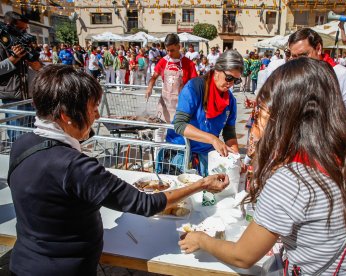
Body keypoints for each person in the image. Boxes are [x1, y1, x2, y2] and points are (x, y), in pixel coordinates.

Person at [179, 58, 346, 275]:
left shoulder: (292, 180)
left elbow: (242, 255)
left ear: (284, 115)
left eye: (261, 111)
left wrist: (201, 240)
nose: (257, 121)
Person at [8, 65, 229, 275]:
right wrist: (202, 183)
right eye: (92, 109)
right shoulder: (75, 167)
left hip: (23, 261)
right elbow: (146, 204)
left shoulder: (23, 143)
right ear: (66, 116)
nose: (96, 116)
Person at [165, 50, 243, 176]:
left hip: (208, 156)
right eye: (229, 78)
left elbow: (229, 132)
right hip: (182, 154)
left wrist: (236, 158)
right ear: (217, 71)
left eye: (236, 80)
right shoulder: (194, 88)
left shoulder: (230, 101)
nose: (231, 83)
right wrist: (212, 139)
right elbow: (179, 124)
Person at [288, 28, 346, 128]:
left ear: (318, 48)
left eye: (303, 55)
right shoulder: (294, 74)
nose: (298, 62)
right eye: (294, 57)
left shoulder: (343, 75)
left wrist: (325, 113)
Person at [0, 11, 42, 141]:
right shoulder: (2, 44)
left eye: (25, 29)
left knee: (33, 135)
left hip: (30, 96)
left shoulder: (23, 42)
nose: (24, 32)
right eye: (21, 28)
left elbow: (37, 66)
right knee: (17, 138)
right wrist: (14, 58)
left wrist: (35, 64)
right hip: (13, 98)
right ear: (9, 25)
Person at [145, 33, 198, 124]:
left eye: (172, 50)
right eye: (167, 50)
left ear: (179, 46)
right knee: (159, 130)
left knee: (177, 131)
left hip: (181, 105)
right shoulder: (163, 61)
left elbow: (195, 84)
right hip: (165, 103)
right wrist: (149, 87)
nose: (169, 53)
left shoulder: (188, 64)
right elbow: (154, 77)